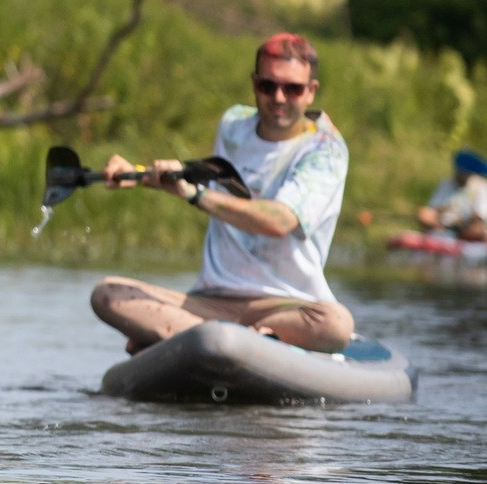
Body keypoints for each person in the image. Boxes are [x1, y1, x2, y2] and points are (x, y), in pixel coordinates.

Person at [89, 33, 354, 354]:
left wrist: (193, 194)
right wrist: (138, 174)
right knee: (107, 294)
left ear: (311, 92)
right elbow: (209, 174)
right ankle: (226, 342)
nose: (279, 97)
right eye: (267, 86)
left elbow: (280, 221)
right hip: (210, 301)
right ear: (254, 83)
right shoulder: (233, 124)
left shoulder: (326, 148)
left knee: (337, 325)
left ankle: (190, 340)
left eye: (293, 88)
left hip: (289, 308)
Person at [416, 149, 487, 242]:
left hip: (466, 229)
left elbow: (478, 217)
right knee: (423, 214)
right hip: (443, 225)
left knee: (477, 229)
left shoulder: (480, 187)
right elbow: (432, 209)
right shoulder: (446, 184)